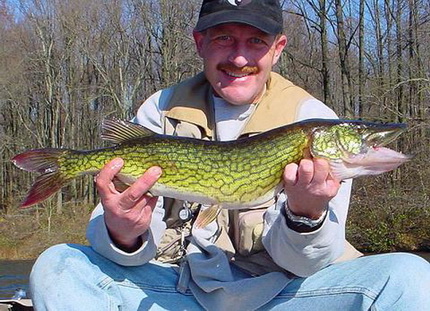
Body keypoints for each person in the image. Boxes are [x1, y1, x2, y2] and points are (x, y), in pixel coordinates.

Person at [29, 0, 430, 310]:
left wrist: (305, 216)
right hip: (173, 291)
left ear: (278, 48)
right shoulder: (160, 110)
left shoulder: (312, 120)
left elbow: (309, 265)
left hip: (283, 297)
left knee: (410, 275)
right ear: (200, 43)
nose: (239, 58)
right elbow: (120, 249)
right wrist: (123, 230)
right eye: (224, 38)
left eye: (255, 41)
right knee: (58, 265)